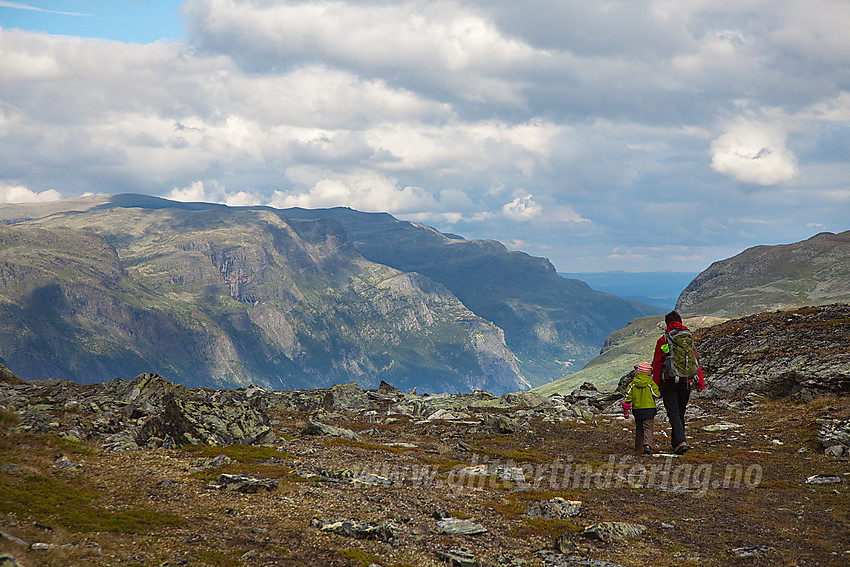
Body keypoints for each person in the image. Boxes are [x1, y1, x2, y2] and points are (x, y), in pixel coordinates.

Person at [652, 310, 704, 455]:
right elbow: (695, 359)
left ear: (667, 323)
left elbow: (657, 363)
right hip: (685, 381)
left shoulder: (663, 340)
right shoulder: (687, 338)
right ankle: (676, 444)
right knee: (680, 412)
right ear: (680, 322)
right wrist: (700, 381)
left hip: (668, 381)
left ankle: (681, 441)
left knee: (673, 413)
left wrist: (656, 385)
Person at [622, 361, 661, 455]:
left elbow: (627, 397)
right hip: (649, 409)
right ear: (649, 373)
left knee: (639, 428)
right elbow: (656, 394)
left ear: (638, 372)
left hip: (637, 409)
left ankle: (638, 447)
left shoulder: (633, 384)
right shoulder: (650, 383)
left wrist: (626, 408)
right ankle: (647, 445)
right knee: (648, 428)